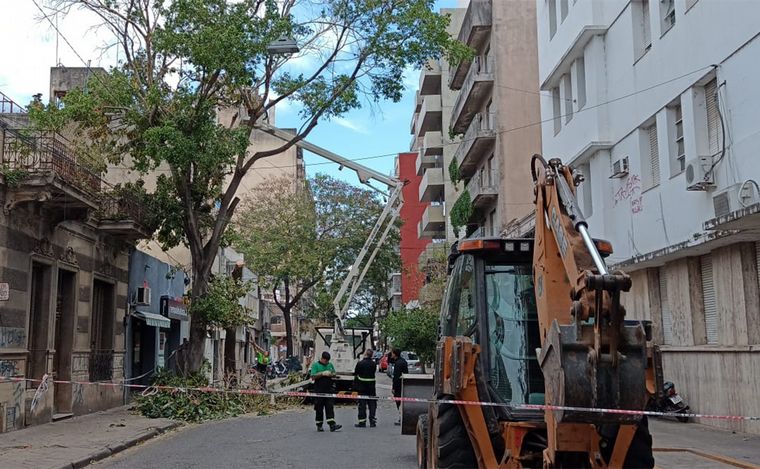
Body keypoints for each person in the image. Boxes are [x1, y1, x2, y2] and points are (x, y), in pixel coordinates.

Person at [310, 351, 342, 432]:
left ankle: (332, 425)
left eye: (328, 361)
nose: (327, 362)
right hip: (319, 390)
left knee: (330, 407)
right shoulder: (315, 365)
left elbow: (334, 373)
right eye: (325, 360)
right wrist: (322, 374)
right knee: (319, 408)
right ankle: (319, 425)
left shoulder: (330, 365)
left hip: (329, 389)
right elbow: (313, 376)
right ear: (322, 358)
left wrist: (331, 374)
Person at [353, 349, 377, 428]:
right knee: (372, 404)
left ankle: (362, 422)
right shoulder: (373, 364)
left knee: (362, 404)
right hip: (371, 387)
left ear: (365, 354)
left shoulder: (360, 363)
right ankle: (372, 421)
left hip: (362, 387)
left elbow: (356, 373)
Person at [391, 348, 408, 426]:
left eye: (392, 353)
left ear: (395, 354)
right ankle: (402, 418)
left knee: (398, 402)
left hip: (398, 386)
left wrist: (394, 388)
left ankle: (401, 418)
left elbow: (396, 377)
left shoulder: (398, 363)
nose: (391, 354)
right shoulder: (403, 361)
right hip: (404, 384)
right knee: (403, 402)